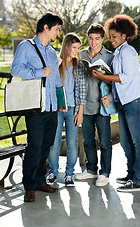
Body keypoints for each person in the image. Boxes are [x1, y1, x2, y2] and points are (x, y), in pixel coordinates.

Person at [90, 14, 140, 192]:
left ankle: (139, 180)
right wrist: (103, 80)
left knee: (139, 142)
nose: (111, 39)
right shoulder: (118, 54)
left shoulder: (128, 52)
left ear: (124, 35)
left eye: (114, 36)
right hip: (125, 103)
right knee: (125, 141)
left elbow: (127, 78)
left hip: (136, 101)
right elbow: (117, 81)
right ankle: (131, 174)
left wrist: (102, 76)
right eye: (110, 36)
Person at [11, 12, 63, 202]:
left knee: (46, 145)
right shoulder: (26, 46)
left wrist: (61, 102)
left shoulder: (51, 50)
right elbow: (15, 69)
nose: (58, 33)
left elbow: (56, 79)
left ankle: (40, 181)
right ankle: (30, 186)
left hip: (51, 107)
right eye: (56, 29)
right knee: (34, 147)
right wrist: (38, 72)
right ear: (46, 28)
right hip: (35, 107)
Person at [75, 23, 114, 187]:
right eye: (90, 38)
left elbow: (116, 81)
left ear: (102, 39)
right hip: (86, 105)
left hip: (102, 106)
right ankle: (91, 170)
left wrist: (111, 97)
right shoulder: (81, 54)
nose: (93, 42)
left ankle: (105, 173)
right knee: (88, 141)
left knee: (105, 142)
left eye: (97, 39)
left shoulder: (109, 57)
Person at [46, 33, 86, 187]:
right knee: (54, 143)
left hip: (73, 110)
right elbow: (49, 85)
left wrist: (80, 112)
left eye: (78, 48)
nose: (76, 50)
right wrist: (56, 64)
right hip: (56, 109)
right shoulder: (57, 64)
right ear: (67, 46)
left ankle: (69, 174)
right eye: (74, 47)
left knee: (71, 143)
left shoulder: (79, 67)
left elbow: (82, 91)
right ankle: (53, 172)